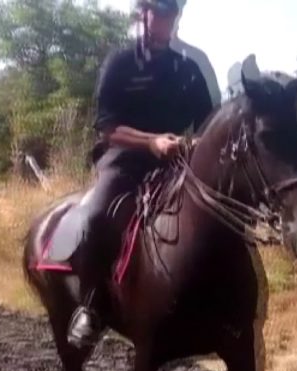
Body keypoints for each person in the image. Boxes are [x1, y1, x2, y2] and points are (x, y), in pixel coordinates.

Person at [67, 0, 214, 349]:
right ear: (142, 14)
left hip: (178, 161)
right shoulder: (119, 64)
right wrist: (151, 142)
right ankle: (91, 305)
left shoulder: (188, 69)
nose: (164, 22)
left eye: (170, 15)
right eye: (157, 14)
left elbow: (209, 123)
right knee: (96, 215)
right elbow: (107, 127)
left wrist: (195, 144)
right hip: (124, 159)